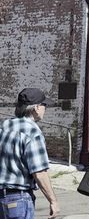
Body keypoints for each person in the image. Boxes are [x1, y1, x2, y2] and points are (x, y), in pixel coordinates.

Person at [0, 88, 60, 219]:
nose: (45, 109)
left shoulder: (5, 125)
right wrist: (53, 201)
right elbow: (39, 172)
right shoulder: (33, 132)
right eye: (44, 105)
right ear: (37, 108)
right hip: (18, 198)